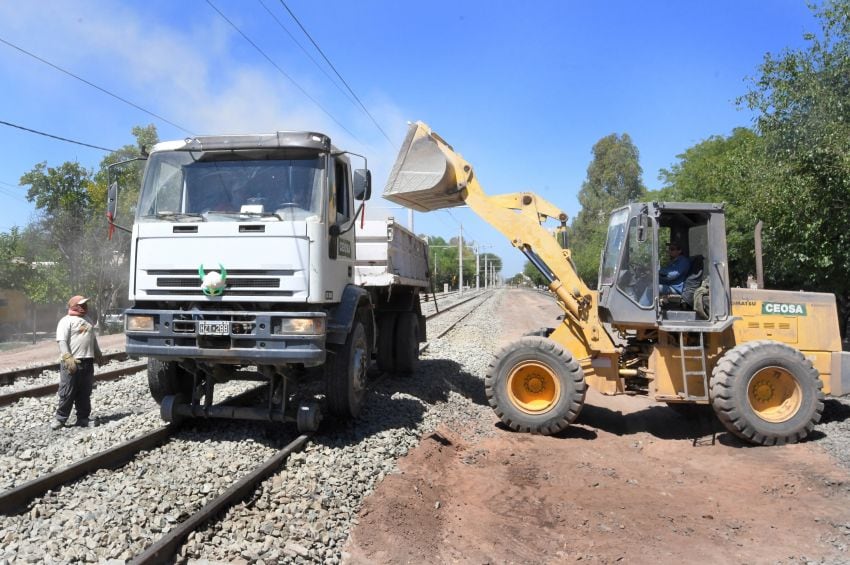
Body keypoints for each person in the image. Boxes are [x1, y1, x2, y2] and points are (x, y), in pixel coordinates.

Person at [50, 295, 104, 430]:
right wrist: (68, 358)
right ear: (74, 306)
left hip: (87, 361)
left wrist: (98, 353)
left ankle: (83, 418)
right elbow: (61, 341)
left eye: (85, 304)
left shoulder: (88, 319)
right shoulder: (65, 321)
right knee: (67, 391)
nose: (84, 306)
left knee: (85, 392)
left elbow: (93, 339)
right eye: (81, 304)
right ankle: (60, 419)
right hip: (72, 362)